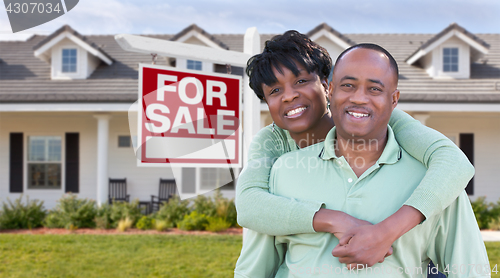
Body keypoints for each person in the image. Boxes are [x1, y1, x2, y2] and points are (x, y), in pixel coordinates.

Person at [237, 43, 489, 277]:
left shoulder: (422, 164)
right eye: (275, 90)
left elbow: (453, 161)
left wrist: (385, 233)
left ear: (326, 86)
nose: (289, 96)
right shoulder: (277, 158)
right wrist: (333, 219)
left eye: (301, 81)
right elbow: (250, 206)